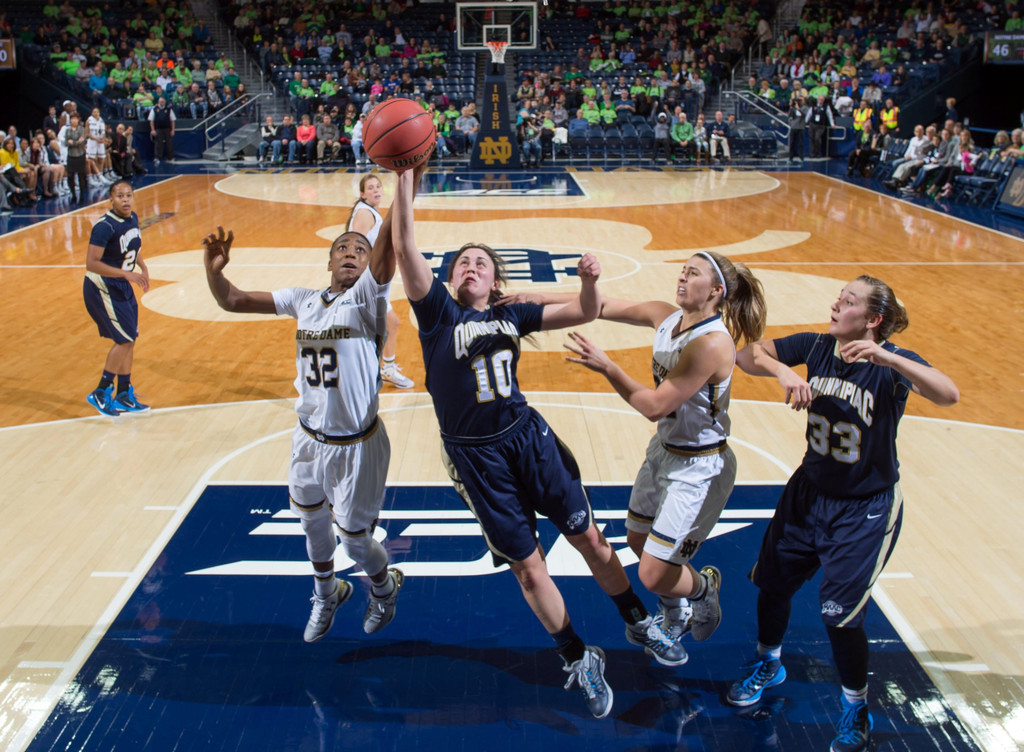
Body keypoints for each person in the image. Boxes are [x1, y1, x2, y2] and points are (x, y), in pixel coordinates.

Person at [390, 158, 685, 721]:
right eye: (462, 262)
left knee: (590, 539)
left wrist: (589, 281)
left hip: (528, 440)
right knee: (528, 568)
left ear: (495, 280)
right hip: (477, 459)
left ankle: (638, 620)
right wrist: (405, 176)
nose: (471, 266)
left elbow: (586, 310)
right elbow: (405, 247)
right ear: (449, 278)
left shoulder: (514, 314)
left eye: (481, 262)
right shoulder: (437, 314)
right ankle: (577, 655)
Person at [729, 276, 959, 752]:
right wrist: (783, 371)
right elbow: (746, 355)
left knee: (839, 616)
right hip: (808, 493)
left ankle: (856, 706)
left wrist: (891, 359)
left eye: (849, 301)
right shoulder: (815, 345)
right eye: (839, 297)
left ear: (873, 320)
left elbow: (948, 394)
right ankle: (769, 661)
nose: (836, 305)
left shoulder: (891, 365)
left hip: (864, 509)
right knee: (773, 584)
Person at [531, 251, 768, 665]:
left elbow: (655, 406)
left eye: (692, 273)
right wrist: (531, 299)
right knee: (638, 541)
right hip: (664, 450)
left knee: (653, 573)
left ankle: (703, 590)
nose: (682, 277)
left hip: (700, 467)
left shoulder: (712, 343)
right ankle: (676, 611)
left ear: (716, 291)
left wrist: (609, 367)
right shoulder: (666, 317)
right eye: (682, 270)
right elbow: (602, 305)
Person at [202, 198, 405, 642]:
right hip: (309, 438)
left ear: (369, 264)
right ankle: (327, 592)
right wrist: (214, 272)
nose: (351, 253)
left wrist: (405, 179)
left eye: (361, 250)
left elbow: (389, 242)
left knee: (355, 542)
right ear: (328, 261)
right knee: (311, 524)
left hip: (357, 444)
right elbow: (233, 300)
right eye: (342, 248)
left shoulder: (368, 299)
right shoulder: (303, 300)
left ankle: (385, 587)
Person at [82, 181, 151, 416]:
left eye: (128, 195)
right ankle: (101, 392)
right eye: (120, 196)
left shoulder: (133, 219)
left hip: (121, 284)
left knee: (130, 338)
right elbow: (91, 263)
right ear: (111, 200)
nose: (125, 200)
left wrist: (143, 267)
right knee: (124, 339)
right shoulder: (104, 226)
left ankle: (123, 394)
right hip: (102, 285)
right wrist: (125, 273)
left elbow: (132, 248)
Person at [348, 173, 413, 388]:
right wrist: (359, 279)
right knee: (387, 324)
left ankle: (382, 368)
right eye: (371, 188)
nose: (376, 190)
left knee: (385, 325)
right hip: (365, 283)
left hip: (372, 281)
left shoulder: (369, 211)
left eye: (378, 186)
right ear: (362, 194)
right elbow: (353, 247)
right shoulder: (365, 213)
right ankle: (384, 369)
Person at [149, 96, 175, 163]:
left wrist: (172, 130)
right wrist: (153, 130)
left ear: (165, 102)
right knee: (158, 144)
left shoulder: (169, 110)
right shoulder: (154, 109)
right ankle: (157, 157)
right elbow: (151, 121)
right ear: (158, 102)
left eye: (162, 102)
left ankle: (171, 158)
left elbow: (172, 120)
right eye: (160, 102)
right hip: (158, 129)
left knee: (169, 144)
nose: (161, 103)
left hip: (167, 129)